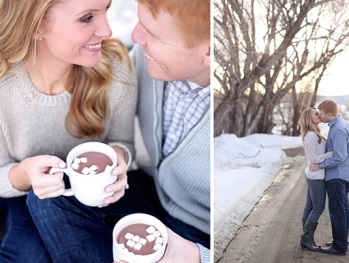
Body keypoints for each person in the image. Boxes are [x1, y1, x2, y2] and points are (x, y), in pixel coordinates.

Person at [28, 0, 211, 262]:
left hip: (203, 235)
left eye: (152, 32)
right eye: (140, 21)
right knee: (51, 196)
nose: (136, 35)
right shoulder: (152, 61)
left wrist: (198, 257)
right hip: (154, 197)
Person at [0, 0, 137, 262]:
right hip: (24, 196)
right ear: (37, 25)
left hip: (101, 196)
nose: (107, 30)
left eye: (106, 10)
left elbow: (124, 143)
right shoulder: (4, 87)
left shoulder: (116, 67)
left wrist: (120, 157)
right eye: (87, 18)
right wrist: (26, 172)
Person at [309, 100, 349, 255]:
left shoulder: (338, 130)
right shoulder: (341, 124)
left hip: (337, 177)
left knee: (337, 213)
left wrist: (319, 165)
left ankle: (339, 247)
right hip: (344, 174)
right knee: (343, 211)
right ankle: (340, 241)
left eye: (321, 113)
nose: (320, 115)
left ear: (328, 114)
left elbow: (340, 156)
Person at [299, 107, 333, 251]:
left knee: (310, 206)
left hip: (314, 175)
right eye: (316, 114)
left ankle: (306, 239)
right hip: (316, 176)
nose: (319, 115)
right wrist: (330, 154)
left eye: (319, 112)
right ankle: (306, 238)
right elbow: (312, 158)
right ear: (309, 118)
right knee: (318, 207)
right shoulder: (311, 136)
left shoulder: (314, 133)